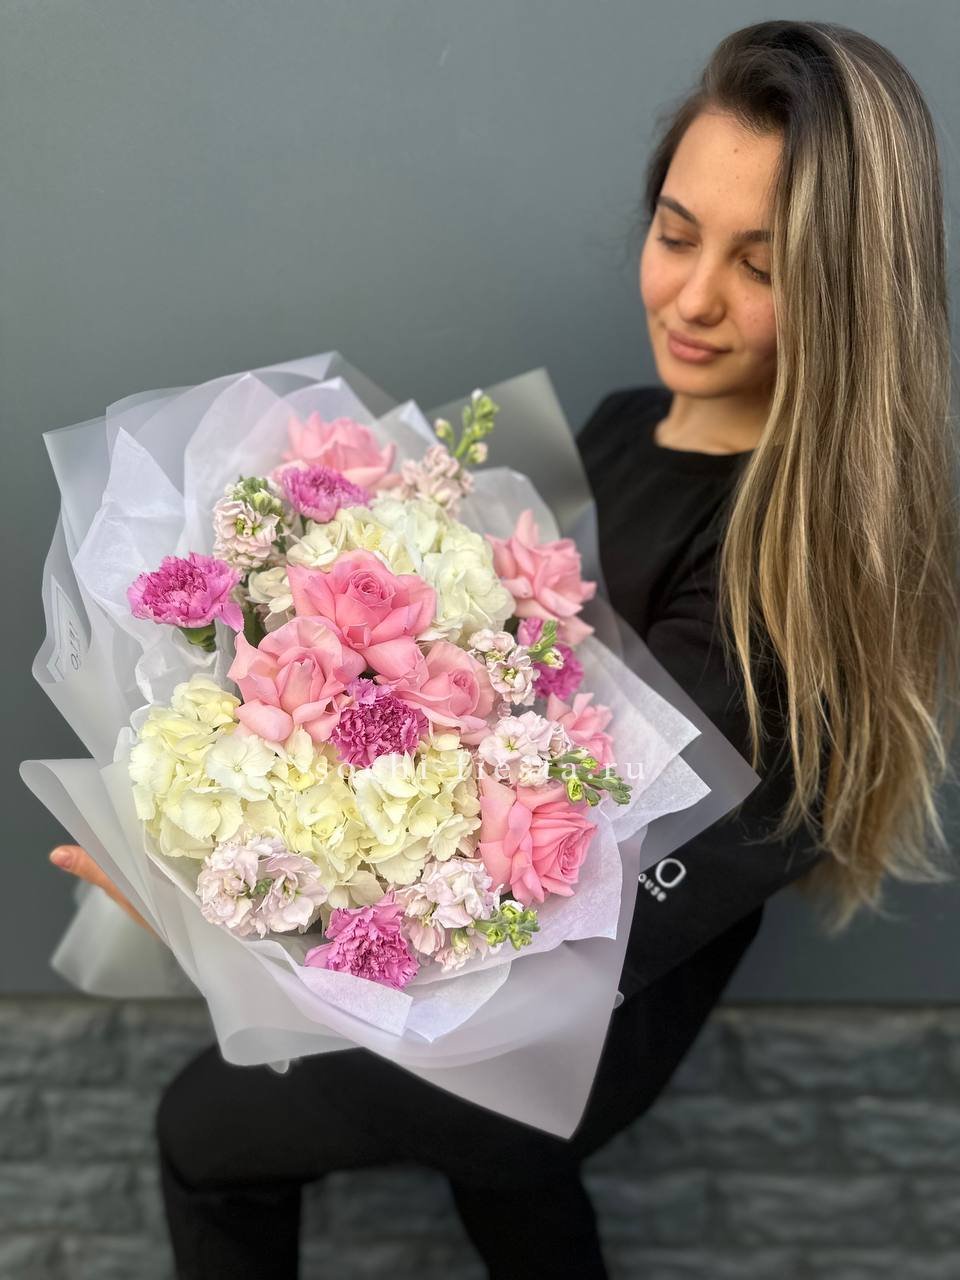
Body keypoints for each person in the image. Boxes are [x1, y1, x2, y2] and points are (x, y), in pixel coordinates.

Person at [47, 19, 960, 1279]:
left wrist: (218, 895)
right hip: (504, 1014)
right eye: (677, 234)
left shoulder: (793, 577)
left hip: (555, 1036)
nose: (695, 297)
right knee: (513, 1199)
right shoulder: (627, 425)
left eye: (762, 266)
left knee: (203, 1135)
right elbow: (490, 663)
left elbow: (590, 879)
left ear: (853, 295)